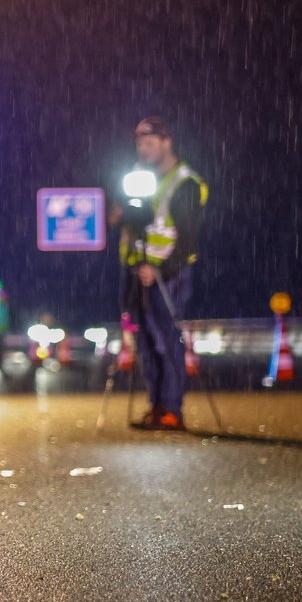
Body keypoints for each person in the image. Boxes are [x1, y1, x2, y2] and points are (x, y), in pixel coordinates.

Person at [120, 115, 208, 430]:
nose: (142, 150)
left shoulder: (185, 182)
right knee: (144, 342)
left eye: (149, 143)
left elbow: (186, 239)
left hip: (169, 274)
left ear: (166, 142)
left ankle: (172, 408)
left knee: (166, 340)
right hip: (137, 271)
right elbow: (129, 224)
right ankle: (156, 405)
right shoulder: (141, 178)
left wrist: (158, 268)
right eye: (139, 143)